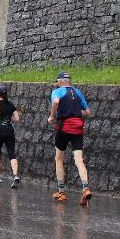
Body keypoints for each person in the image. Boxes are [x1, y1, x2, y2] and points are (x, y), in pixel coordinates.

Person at [47, 71, 92, 206]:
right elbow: (87, 112)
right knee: (79, 160)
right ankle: (85, 188)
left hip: (64, 128)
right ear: (69, 81)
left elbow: (56, 101)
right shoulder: (78, 92)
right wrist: (76, 113)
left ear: (59, 81)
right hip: (78, 128)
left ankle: (61, 191)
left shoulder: (58, 91)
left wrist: (52, 116)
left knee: (59, 158)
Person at [0, 85, 21, 187]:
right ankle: (15, 175)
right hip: (9, 130)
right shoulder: (11, 104)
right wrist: (8, 118)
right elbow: (17, 119)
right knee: (11, 153)